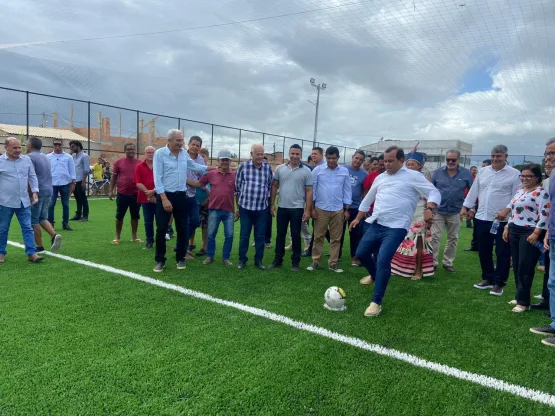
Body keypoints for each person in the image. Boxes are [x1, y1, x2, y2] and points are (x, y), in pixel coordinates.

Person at [350, 146, 441, 317]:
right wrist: (358, 218)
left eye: (391, 161)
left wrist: (430, 207)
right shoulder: (381, 177)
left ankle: (376, 302)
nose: (387, 164)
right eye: (385, 161)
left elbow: (434, 193)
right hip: (377, 223)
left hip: (397, 227)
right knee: (361, 254)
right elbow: (369, 198)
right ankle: (375, 276)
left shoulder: (414, 176)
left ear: (401, 160)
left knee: (383, 260)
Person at [461, 145, 521, 296]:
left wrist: (506, 210)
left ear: (506, 157)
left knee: (502, 252)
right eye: (493, 156)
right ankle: (487, 278)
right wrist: (466, 207)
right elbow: (474, 191)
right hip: (482, 217)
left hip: (503, 220)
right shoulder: (483, 172)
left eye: (499, 156)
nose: (495, 159)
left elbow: (517, 196)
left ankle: (499, 283)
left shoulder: (514, 174)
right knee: (484, 250)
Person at [152, 129, 211, 272]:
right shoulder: (160, 154)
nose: (181, 143)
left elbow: (195, 166)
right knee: (161, 229)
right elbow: (157, 178)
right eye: (178, 140)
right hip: (165, 196)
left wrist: (213, 168)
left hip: (181, 196)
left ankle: (180, 258)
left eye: (182, 140)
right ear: (170, 140)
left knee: (183, 228)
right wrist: (164, 199)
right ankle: (160, 260)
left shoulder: (184, 154)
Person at [499, 164, 549, 312]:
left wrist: (536, 233)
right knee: (517, 265)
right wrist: (507, 226)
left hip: (530, 232)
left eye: (529, 176)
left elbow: (545, 214)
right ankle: (520, 295)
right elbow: (514, 211)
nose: (525, 178)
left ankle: (523, 302)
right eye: (523, 175)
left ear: (537, 177)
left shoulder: (541, 193)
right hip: (514, 229)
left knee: (525, 266)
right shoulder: (520, 191)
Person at [391, 150, 435, 280]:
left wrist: (429, 211)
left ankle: (418, 271)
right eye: (408, 164)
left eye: (413, 164)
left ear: (420, 166)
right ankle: (400, 268)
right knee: (404, 241)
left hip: (420, 213)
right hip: (406, 213)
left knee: (420, 243)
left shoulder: (425, 179)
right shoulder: (404, 177)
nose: (410, 166)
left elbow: (432, 196)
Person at [268, 144, 313, 272]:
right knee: (280, 235)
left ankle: (295, 262)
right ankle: (278, 260)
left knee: (295, 235)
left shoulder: (306, 171)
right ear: (289, 154)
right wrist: (272, 204)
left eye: (297, 154)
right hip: (282, 207)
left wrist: (308, 210)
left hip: (297, 208)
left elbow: (309, 191)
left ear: (301, 155)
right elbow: (274, 186)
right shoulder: (280, 169)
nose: (294, 156)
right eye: (292, 153)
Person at [188, 149, 237, 266]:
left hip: (229, 211)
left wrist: (238, 209)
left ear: (230, 161)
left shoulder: (235, 175)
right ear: (218, 161)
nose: (225, 162)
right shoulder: (211, 174)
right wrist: (184, 180)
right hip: (214, 209)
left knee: (229, 235)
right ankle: (210, 256)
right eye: (222, 160)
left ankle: (225, 258)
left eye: (227, 160)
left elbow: (239, 192)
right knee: (211, 235)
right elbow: (199, 184)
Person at [308, 146, 352, 273]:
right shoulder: (317, 170)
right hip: (321, 208)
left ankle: (333, 263)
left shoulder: (344, 171)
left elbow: (347, 190)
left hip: (338, 209)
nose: (331, 160)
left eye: (334, 158)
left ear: (338, 158)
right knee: (318, 236)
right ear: (325, 157)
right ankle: (315, 261)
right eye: (329, 158)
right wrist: (312, 208)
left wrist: (346, 209)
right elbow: (313, 189)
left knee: (336, 238)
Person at [0, 137, 43, 263]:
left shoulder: (26, 160)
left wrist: (35, 191)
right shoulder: (1, 161)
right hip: (5, 202)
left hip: (24, 201)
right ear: (6, 147)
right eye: (15, 148)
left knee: (27, 227)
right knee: (3, 229)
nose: (18, 150)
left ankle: (31, 253)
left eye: (19, 147)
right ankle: (1, 253)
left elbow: (32, 176)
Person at [529, 137, 555, 348]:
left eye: (553, 153)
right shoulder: (552, 177)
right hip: (553, 235)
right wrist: (547, 232)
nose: (549, 158)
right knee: (552, 282)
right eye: (547, 153)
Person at [430, 150, 473, 273]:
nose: (450, 162)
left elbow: (472, 192)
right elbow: (431, 190)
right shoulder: (437, 173)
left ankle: (447, 263)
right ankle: (433, 262)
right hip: (438, 210)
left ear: (459, 160)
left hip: (456, 211)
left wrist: (469, 208)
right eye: (448, 159)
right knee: (434, 237)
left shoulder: (466, 174)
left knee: (453, 238)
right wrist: (430, 208)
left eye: (453, 160)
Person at [235, 144, 273, 270]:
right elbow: (237, 186)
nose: (260, 157)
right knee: (244, 235)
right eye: (258, 154)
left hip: (262, 208)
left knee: (260, 236)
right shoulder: (243, 167)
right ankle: (242, 260)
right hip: (245, 208)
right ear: (251, 154)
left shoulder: (267, 168)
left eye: (262, 154)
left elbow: (269, 186)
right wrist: (238, 206)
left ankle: (258, 261)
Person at [26, 137, 62, 253]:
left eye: (26, 143)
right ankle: (54, 235)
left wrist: (29, 192)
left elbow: (30, 176)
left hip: (37, 192)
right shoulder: (45, 157)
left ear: (30, 145)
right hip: (48, 191)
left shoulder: (29, 157)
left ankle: (39, 247)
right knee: (42, 218)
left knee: (34, 221)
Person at [109, 143, 142, 244]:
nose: (131, 151)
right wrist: (111, 191)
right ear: (125, 150)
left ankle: (134, 236)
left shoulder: (140, 163)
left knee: (135, 216)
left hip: (136, 194)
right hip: (122, 194)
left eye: (133, 149)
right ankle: (117, 237)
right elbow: (113, 177)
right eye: (128, 149)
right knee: (120, 216)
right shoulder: (119, 162)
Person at [340, 150, 367, 267]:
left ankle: (355, 258)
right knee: (338, 233)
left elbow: (364, 192)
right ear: (352, 157)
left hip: (356, 207)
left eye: (361, 159)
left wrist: (363, 207)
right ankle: (336, 255)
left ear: (363, 161)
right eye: (356, 158)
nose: (358, 161)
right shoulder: (342, 169)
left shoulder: (364, 174)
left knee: (355, 234)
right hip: (341, 206)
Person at [47, 138, 76, 231]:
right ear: (53, 145)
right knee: (51, 204)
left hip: (65, 183)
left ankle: (65, 223)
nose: (57, 146)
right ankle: (50, 223)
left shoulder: (68, 157)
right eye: (55, 144)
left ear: (62, 145)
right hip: (52, 183)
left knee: (66, 204)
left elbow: (72, 170)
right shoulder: (48, 157)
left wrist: (73, 182)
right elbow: (46, 171)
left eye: (59, 144)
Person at [184, 136, 205, 259]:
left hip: (193, 194)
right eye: (193, 144)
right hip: (180, 194)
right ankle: (184, 249)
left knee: (195, 221)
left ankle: (181, 245)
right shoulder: (181, 156)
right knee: (184, 222)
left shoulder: (201, 160)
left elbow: (202, 178)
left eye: (197, 145)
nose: (195, 147)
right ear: (189, 144)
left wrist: (206, 189)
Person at [134, 146, 156, 249]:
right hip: (145, 198)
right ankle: (149, 241)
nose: (151, 154)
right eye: (148, 152)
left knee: (161, 221)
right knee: (148, 221)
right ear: (145, 153)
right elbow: (138, 183)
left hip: (158, 197)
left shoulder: (159, 165)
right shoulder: (139, 166)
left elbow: (163, 181)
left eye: (152, 152)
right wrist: (149, 194)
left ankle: (160, 241)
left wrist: (154, 192)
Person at [190, 148, 210, 256]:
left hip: (206, 201)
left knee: (205, 225)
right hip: (193, 200)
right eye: (200, 156)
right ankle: (191, 243)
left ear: (207, 157)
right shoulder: (194, 169)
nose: (202, 158)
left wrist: (208, 199)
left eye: (204, 156)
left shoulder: (210, 171)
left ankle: (204, 246)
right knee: (192, 222)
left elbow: (213, 188)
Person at [69, 140, 90, 222]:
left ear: (78, 146)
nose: (71, 148)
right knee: (78, 198)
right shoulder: (74, 157)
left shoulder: (84, 156)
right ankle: (78, 214)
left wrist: (83, 181)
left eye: (73, 146)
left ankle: (85, 216)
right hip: (75, 181)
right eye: (70, 146)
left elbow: (86, 170)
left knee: (83, 198)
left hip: (81, 180)